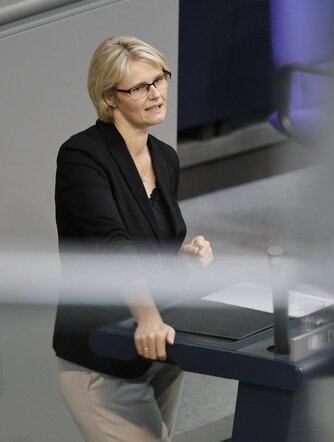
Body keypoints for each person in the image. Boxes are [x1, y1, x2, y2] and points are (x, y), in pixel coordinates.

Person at [53, 36, 213, 441]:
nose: (156, 93)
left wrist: (183, 261)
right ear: (109, 98)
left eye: (160, 79)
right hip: (104, 358)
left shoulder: (165, 157)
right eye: (140, 87)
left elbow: (150, 249)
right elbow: (112, 246)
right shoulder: (82, 157)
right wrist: (147, 317)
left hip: (161, 350)